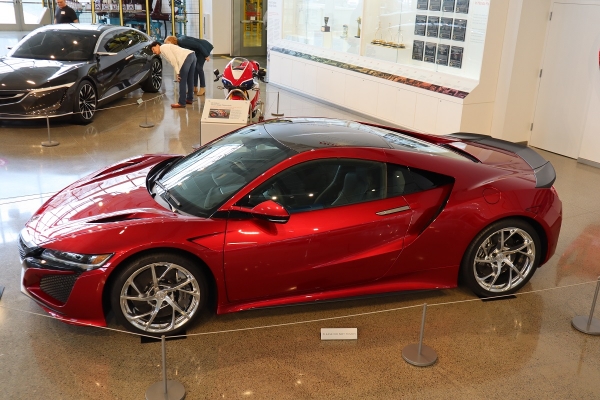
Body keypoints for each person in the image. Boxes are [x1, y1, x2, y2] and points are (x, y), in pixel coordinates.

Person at [150, 41, 196, 109]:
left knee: (182, 80)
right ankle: (189, 99)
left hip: (185, 58)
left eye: (153, 49)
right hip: (192, 55)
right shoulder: (165, 48)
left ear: (157, 45)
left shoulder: (163, 48)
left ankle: (181, 102)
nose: (154, 52)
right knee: (190, 79)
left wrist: (178, 73)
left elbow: (173, 60)